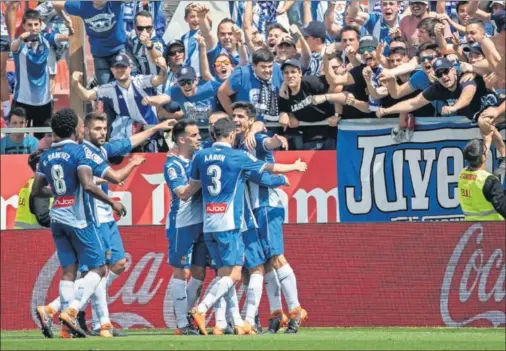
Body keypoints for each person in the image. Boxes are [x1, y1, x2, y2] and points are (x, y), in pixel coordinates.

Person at [36, 113, 174, 338]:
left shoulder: (86, 151)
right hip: (89, 218)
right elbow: (100, 180)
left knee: (110, 265)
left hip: (74, 217)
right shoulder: (82, 152)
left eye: (104, 128)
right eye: (95, 128)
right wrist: (130, 169)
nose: (102, 132)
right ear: (82, 131)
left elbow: (131, 142)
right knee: (99, 270)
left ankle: (56, 311)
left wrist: (158, 126)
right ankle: (98, 322)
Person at [181, 118, 307, 335]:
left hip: (210, 223)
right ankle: (203, 311)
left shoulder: (201, 155)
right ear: (231, 135)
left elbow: (191, 188)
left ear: (212, 135)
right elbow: (269, 168)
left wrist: (179, 195)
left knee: (232, 271)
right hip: (233, 221)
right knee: (239, 273)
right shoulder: (238, 155)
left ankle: (236, 321)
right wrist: (294, 167)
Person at [31, 108, 126, 338]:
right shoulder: (79, 152)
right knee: (99, 268)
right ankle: (72, 311)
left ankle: (60, 322)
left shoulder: (45, 156)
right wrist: (112, 202)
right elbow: (88, 185)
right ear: (76, 129)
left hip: (57, 219)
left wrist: (59, 192)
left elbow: (37, 191)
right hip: (79, 219)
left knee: (69, 272)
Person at [231, 102, 308, 334]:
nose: (236, 120)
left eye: (241, 116)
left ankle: (295, 310)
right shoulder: (238, 141)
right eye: (233, 116)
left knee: (276, 257)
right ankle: (276, 312)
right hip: (253, 208)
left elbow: (269, 141)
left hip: (266, 204)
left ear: (250, 119)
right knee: (264, 262)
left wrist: (278, 140)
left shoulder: (257, 139)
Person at [71, 53, 168, 150]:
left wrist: (163, 68)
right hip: (127, 137)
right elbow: (86, 96)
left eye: (123, 66)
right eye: (116, 67)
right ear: (112, 70)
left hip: (150, 133)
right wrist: (75, 82)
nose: (120, 70)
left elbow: (160, 79)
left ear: (130, 68)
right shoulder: (109, 88)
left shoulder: (140, 81)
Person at [163, 120, 206, 336]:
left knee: (199, 272)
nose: (199, 138)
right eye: (194, 134)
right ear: (181, 139)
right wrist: (201, 177)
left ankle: (187, 315)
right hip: (181, 222)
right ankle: (181, 323)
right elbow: (182, 192)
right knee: (181, 271)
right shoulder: (172, 164)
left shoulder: (202, 155)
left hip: (203, 222)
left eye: (199, 134)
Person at [10, 9, 68, 138]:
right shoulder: (19, 43)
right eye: (29, 25)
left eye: (36, 24)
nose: (33, 28)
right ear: (24, 26)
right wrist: (20, 39)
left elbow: (62, 36)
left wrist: (69, 24)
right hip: (22, 100)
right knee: (17, 137)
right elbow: (13, 47)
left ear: (40, 25)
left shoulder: (46, 39)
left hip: (44, 101)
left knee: (42, 140)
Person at [64, 0, 128, 85]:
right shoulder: (82, 5)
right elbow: (56, 4)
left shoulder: (114, 2)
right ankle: (95, 83)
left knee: (123, 84)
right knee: (106, 89)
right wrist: (65, 19)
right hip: (99, 55)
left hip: (118, 51)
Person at [218, 48, 282, 122]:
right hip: (247, 128)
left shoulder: (277, 70)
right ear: (254, 66)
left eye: (270, 66)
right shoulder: (242, 74)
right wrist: (236, 117)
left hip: (273, 127)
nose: (267, 70)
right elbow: (221, 93)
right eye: (263, 67)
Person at [458, 138, 505, 220]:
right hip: (492, 229)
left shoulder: (462, 174)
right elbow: (503, 208)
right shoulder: (489, 181)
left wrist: (488, 139)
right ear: (483, 157)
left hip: (471, 229)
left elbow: (477, 157)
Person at [14, 150, 49, 229]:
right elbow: (43, 217)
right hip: (33, 235)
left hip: (22, 234)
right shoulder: (40, 186)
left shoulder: (29, 183)